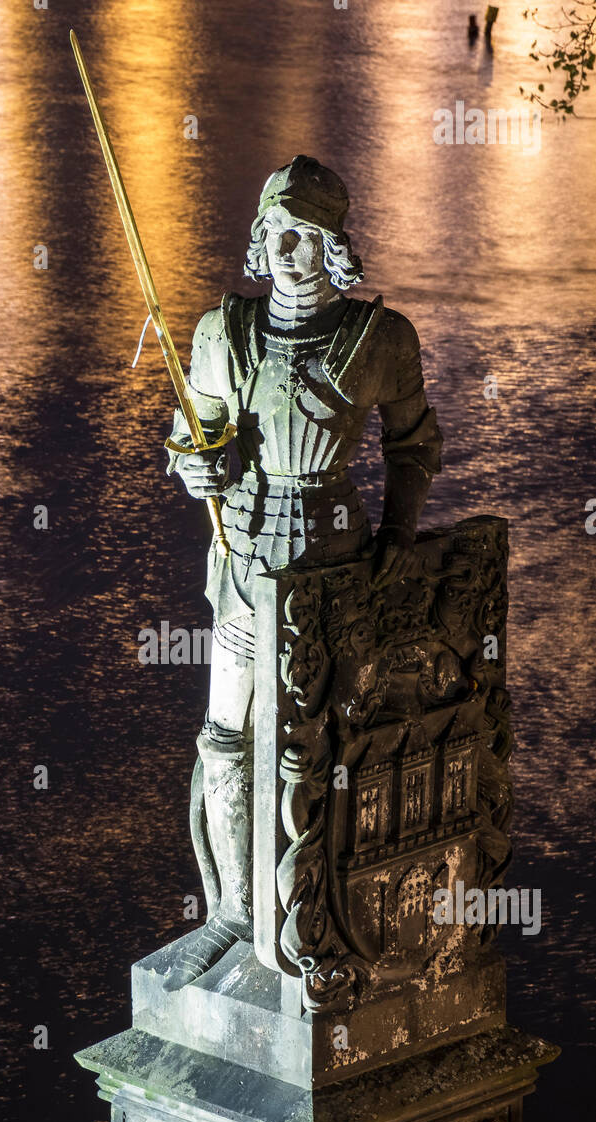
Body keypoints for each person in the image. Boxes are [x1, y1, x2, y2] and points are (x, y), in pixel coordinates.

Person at [164, 156, 443, 988]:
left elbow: (413, 444)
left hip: (336, 570)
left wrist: (398, 534)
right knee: (225, 739)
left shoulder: (380, 338)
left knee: (327, 745)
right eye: (276, 232)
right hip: (245, 563)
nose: (288, 248)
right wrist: (198, 469)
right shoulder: (222, 332)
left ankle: (325, 912)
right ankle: (233, 915)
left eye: (307, 235)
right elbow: (195, 437)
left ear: (334, 246)